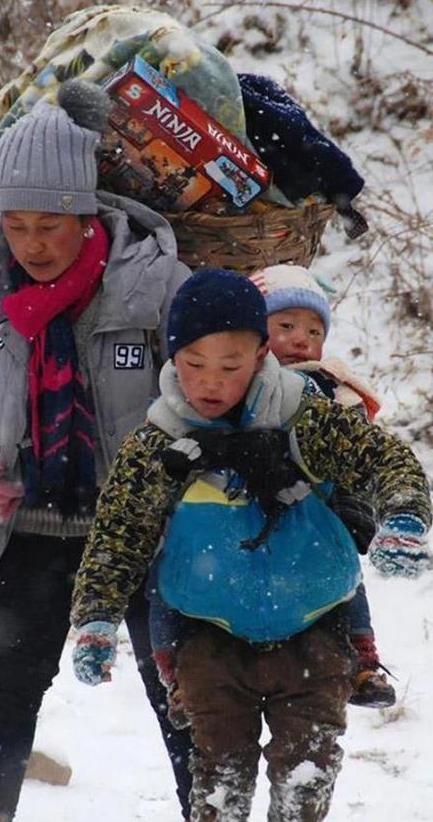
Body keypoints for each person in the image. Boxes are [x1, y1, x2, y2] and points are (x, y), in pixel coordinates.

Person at [70, 268, 431, 822]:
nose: (211, 383)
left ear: (262, 354)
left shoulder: (304, 416)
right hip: (208, 642)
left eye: (231, 367)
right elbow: (119, 533)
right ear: (172, 357)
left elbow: (382, 458)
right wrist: (96, 616)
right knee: (218, 783)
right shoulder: (160, 442)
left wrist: (404, 513)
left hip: (315, 629)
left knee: (305, 780)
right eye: (194, 365)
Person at [0, 79, 193, 822]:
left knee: (182, 692)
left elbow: (209, 393)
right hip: (31, 525)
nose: (33, 244)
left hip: (141, 533)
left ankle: (210, 810)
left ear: (88, 214)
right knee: (6, 684)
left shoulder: (152, 284)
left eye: (52, 224)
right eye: (16, 224)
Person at [251, 263, 396, 707]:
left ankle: (362, 658)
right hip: (249, 509)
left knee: (345, 581)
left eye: (314, 330)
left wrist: (355, 508)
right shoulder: (237, 381)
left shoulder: (334, 389)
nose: (301, 339)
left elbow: (359, 457)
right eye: (286, 326)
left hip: (319, 508)